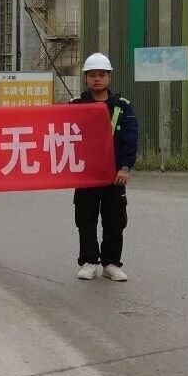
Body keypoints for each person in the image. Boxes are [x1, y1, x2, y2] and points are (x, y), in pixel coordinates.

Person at [72, 53, 139, 282]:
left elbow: (130, 139)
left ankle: (111, 263)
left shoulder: (123, 107)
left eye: (102, 74)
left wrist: (125, 168)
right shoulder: (75, 106)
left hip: (114, 176)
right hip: (86, 176)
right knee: (85, 219)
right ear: (86, 78)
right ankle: (89, 261)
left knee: (115, 221)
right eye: (92, 75)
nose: (97, 79)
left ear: (109, 77)